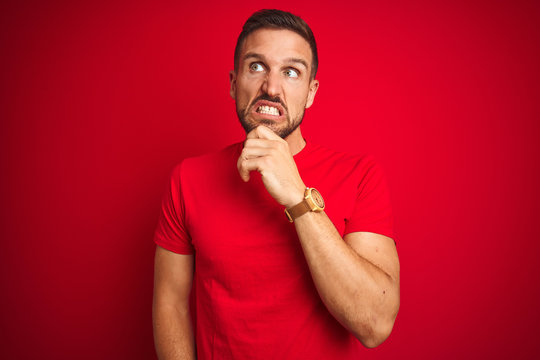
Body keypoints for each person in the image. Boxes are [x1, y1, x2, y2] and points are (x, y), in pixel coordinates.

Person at [152, 9, 400, 359]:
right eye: (256, 67)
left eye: (291, 72)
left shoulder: (360, 175)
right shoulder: (187, 179)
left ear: (311, 92)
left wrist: (297, 195)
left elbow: (375, 324)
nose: (271, 87)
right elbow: (170, 305)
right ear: (233, 83)